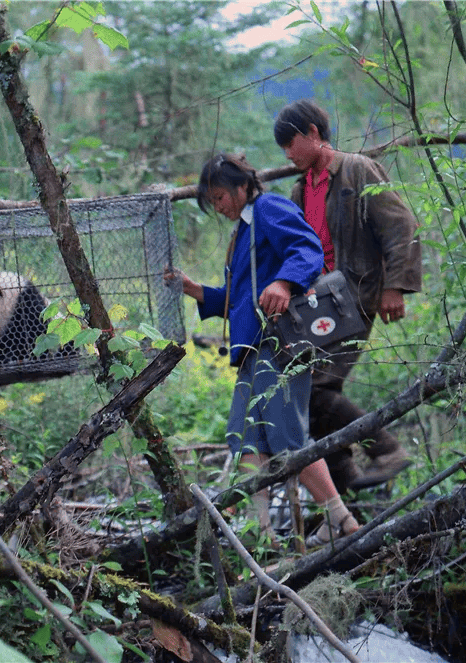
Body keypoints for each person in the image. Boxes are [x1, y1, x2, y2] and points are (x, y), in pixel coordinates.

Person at [167, 154, 359, 546]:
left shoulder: (268, 208)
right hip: (254, 350)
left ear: (243, 187)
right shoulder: (243, 232)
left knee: (289, 439)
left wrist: (285, 284)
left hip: (279, 345)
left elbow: (307, 249)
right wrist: (192, 288)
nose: (219, 207)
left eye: (221, 196)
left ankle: (341, 519)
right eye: (213, 201)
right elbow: (238, 300)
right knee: (246, 438)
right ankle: (263, 535)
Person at [273, 99, 422, 492]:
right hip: (317, 305)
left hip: (356, 296)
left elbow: (401, 226)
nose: (288, 154)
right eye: (283, 149)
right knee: (309, 394)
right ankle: (348, 487)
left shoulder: (357, 169)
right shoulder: (300, 190)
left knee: (318, 387)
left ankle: (387, 450)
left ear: (313, 133)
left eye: (291, 143)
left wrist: (394, 287)